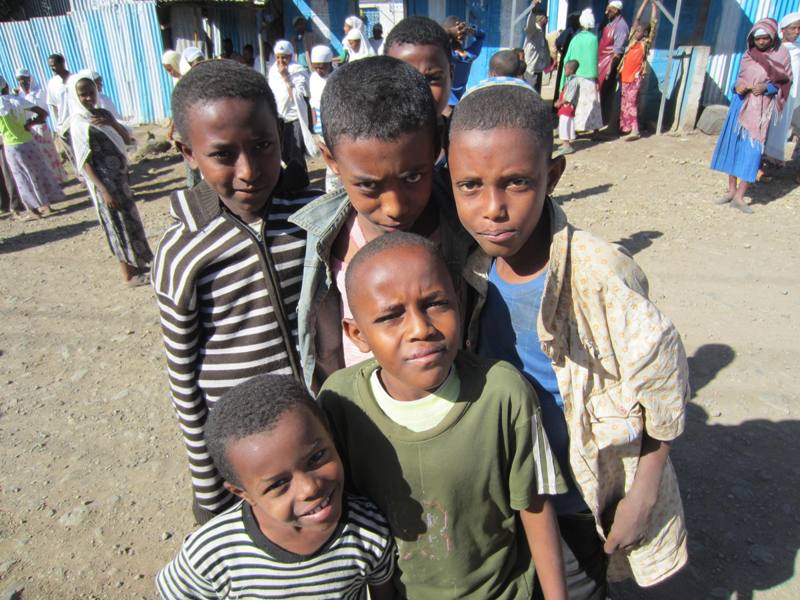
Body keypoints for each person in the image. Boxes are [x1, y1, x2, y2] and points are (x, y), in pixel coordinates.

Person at [447, 78, 690, 599]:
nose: (493, 207)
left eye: (516, 182)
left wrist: (643, 494)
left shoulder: (600, 273)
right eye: (470, 185)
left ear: (552, 175)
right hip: (516, 488)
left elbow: (664, 385)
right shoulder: (474, 266)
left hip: (584, 495)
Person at [319, 233, 567, 599]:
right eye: (390, 316)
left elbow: (535, 505)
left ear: (459, 302)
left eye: (435, 304)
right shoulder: (341, 403)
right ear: (357, 335)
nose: (421, 329)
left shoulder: (501, 393)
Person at [151, 59, 319, 522]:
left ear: (281, 137)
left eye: (263, 146)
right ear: (188, 152)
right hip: (249, 448)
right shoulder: (183, 251)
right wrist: (208, 487)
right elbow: (183, 380)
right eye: (224, 154)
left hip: (318, 428)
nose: (249, 170)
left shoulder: (311, 216)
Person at [289, 56, 474, 393]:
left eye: (413, 176)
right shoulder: (322, 241)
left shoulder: (466, 229)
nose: (395, 207)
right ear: (330, 159)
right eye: (369, 186)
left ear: (435, 148)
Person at [156, 374, 396, 599]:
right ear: (244, 494)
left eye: (317, 457)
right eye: (279, 484)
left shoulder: (369, 529)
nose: (309, 488)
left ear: (331, 438)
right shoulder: (212, 551)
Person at [68, 71, 152, 286]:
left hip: (120, 180)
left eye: (91, 93)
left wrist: (112, 123)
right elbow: (84, 162)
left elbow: (127, 140)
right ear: (75, 96)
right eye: (83, 94)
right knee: (117, 226)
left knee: (131, 221)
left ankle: (139, 263)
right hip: (104, 184)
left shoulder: (102, 113)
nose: (88, 98)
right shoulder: (78, 122)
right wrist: (103, 190)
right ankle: (129, 274)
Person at [711, 19, 791, 213]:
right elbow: (740, 76)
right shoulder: (748, 54)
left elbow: (784, 82)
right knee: (734, 146)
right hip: (740, 104)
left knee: (752, 150)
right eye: (758, 39)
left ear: (772, 37)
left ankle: (741, 195)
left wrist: (767, 87)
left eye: (765, 38)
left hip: (759, 108)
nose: (762, 42)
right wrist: (737, 86)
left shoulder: (781, 55)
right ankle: (731, 190)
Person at [0, 76, 64, 220]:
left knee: (22, 178)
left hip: (12, 146)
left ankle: (33, 211)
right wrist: (30, 123)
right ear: (5, 86)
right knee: (39, 171)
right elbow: (43, 113)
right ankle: (47, 205)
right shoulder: (18, 101)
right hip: (29, 142)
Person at [384, 15, 455, 118]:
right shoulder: (367, 132)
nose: (418, 94)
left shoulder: (465, 132)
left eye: (433, 79)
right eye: (403, 80)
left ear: (451, 76)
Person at [15, 67, 67, 182]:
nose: (22, 82)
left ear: (30, 79)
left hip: (40, 127)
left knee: (49, 153)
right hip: (29, 130)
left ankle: (57, 178)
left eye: (24, 79)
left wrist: (33, 122)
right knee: (38, 156)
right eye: (19, 80)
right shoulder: (19, 96)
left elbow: (45, 112)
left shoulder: (39, 93)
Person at [268, 40, 311, 177]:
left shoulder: (297, 70)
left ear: (291, 56)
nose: (281, 61)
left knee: (295, 153)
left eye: (284, 57)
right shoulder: (273, 71)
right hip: (279, 118)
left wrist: (286, 78)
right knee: (282, 152)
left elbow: (298, 96)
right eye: (278, 57)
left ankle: (301, 180)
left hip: (294, 118)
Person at [765, 11, 800, 164]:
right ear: (783, 30)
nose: (797, 32)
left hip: (797, 99)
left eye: (799, 29)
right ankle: (764, 165)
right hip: (778, 96)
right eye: (793, 28)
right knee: (770, 128)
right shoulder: (774, 49)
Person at [560, 9, 603, 133]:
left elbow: (567, 58)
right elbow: (594, 59)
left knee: (577, 104)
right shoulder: (594, 39)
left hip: (576, 76)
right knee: (593, 105)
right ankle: (595, 130)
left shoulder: (576, 39)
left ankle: (576, 129)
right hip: (590, 77)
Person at [618, 18, 655, 141]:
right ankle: (627, 128)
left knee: (632, 103)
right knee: (625, 104)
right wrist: (644, 3)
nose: (636, 33)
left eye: (639, 31)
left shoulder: (645, 44)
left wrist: (654, 6)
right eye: (636, 31)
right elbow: (637, 20)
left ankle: (635, 130)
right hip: (625, 77)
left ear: (644, 33)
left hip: (635, 78)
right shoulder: (632, 42)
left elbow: (653, 24)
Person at [598, 1, 630, 127]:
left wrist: (610, 69)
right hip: (601, 62)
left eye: (609, 10)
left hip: (608, 65)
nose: (606, 12)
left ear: (616, 11)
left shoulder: (621, 26)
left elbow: (617, 53)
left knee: (605, 93)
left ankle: (604, 122)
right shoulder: (610, 22)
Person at [443, 16, 486, 100]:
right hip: (460, 97)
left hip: (444, 99)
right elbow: (482, 36)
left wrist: (450, 32)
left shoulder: (443, 54)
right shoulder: (470, 55)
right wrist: (471, 29)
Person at [46, 53, 75, 166]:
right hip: (64, 125)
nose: (53, 68)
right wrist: (59, 124)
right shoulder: (52, 84)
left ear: (62, 63)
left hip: (78, 121)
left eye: (54, 65)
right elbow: (53, 105)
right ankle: (82, 177)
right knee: (72, 154)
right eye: (50, 66)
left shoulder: (74, 79)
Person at [554, 12, 582, 105]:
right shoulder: (573, 32)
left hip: (567, 59)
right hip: (570, 60)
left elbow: (557, 42)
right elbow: (558, 42)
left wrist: (561, 51)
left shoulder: (571, 31)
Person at [555, 60, 580, 155]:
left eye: (565, 69)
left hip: (567, 107)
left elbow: (569, 97)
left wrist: (560, 103)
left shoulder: (573, 81)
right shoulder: (570, 79)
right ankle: (565, 144)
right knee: (566, 124)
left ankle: (567, 145)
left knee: (564, 125)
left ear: (570, 69)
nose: (564, 71)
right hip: (565, 107)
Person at [524, 11, 552, 94]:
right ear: (541, 18)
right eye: (546, 17)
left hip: (539, 69)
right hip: (531, 69)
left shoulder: (541, 32)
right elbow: (529, 26)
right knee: (530, 92)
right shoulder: (534, 30)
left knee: (536, 93)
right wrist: (532, 10)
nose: (547, 19)